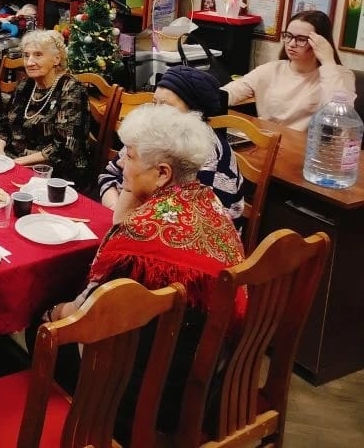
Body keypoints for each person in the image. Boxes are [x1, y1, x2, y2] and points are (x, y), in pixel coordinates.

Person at [46, 104, 245, 436]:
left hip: (147, 396)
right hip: (207, 379)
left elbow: (87, 310)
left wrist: (50, 313)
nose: (121, 162)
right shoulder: (210, 205)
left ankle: (88, 425)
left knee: (42, 326)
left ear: (163, 173)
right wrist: (130, 194)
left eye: (130, 155)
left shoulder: (140, 238)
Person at [98, 65, 244, 224]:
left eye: (164, 106)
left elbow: (198, 221)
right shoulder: (151, 134)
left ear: (194, 114)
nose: (155, 112)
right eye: (154, 103)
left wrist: (123, 211)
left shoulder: (206, 156)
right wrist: (114, 208)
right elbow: (109, 175)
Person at [221, 10, 356, 131]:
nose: (291, 44)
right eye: (288, 36)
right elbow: (231, 92)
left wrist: (328, 61)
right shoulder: (272, 69)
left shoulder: (338, 75)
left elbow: (339, 115)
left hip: (305, 146)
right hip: (267, 138)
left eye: (301, 39)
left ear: (320, 43)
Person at [0, 29, 89, 188]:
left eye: (38, 55)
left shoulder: (71, 89)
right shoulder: (26, 85)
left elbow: (64, 148)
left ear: (56, 59)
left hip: (51, 174)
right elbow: (2, 125)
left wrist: (15, 164)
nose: (29, 62)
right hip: (12, 162)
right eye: (26, 55)